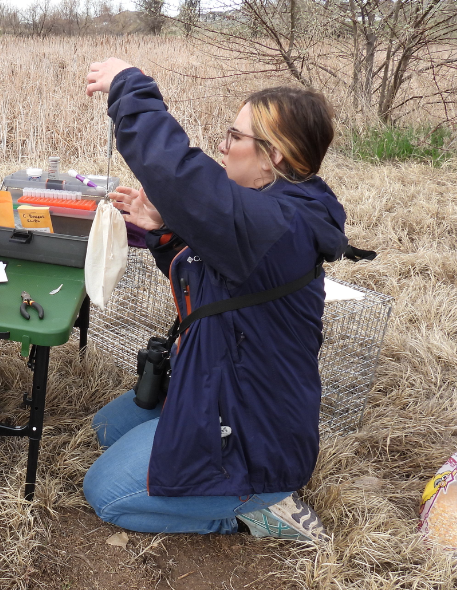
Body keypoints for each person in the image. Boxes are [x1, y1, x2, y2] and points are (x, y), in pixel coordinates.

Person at [81, 58, 349, 542]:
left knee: (106, 493)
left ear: (275, 157)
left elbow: (179, 174)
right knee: (103, 431)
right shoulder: (270, 214)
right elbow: (216, 286)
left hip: (254, 432)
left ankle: (254, 510)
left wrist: (129, 86)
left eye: (234, 136)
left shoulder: (277, 226)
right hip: (218, 383)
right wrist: (164, 231)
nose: (222, 147)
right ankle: (195, 452)